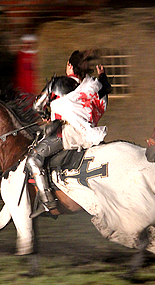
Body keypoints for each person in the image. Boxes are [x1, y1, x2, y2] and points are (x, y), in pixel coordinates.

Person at [26, 50, 112, 217]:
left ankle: (47, 203)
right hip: (87, 134)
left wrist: (46, 116)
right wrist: (103, 77)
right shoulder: (92, 86)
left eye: (67, 64)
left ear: (70, 66)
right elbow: (104, 94)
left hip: (65, 134)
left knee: (33, 159)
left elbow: (37, 106)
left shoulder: (57, 83)